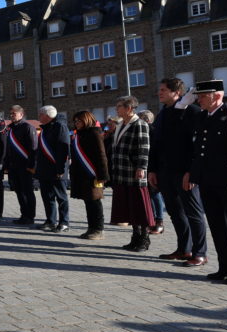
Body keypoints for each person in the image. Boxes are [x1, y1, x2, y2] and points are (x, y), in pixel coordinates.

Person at [186, 80, 227, 284]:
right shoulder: (202, 117)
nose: (198, 99)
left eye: (202, 96)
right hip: (208, 181)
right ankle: (225, 267)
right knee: (217, 227)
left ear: (216, 95)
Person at [149, 79, 207, 265]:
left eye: (164, 90)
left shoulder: (193, 112)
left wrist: (192, 172)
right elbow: (156, 145)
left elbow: (197, 146)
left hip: (185, 173)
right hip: (165, 172)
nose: (160, 93)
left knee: (193, 212)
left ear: (177, 93)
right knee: (175, 212)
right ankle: (184, 249)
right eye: (159, 90)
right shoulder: (162, 114)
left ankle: (200, 252)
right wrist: (152, 170)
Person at [110, 95, 155, 251]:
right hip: (122, 172)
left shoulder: (140, 124)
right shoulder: (121, 124)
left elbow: (144, 148)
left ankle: (144, 238)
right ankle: (135, 236)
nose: (117, 109)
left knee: (140, 207)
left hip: (134, 172)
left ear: (129, 108)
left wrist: (141, 167)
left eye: (119, 106)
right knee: (130, 207)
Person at [70, 111, 110, 240]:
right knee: (88, 202)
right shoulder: (79, 134)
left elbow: (101, 154)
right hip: (81, 174)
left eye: (79, 121)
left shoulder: (94, 133)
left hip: (92, 173)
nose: (77, 123)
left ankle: (98, 229)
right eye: (75, 121)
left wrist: (103, 175)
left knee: (95, 202)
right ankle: (91, 228)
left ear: (87, 120)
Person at [35, 105, 71, 232]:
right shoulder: (46, 128)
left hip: (57, 169)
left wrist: (60, 169)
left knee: (61, 197)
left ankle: (64, 222)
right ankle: (50, 221)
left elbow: (63, 148)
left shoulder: (60, 126)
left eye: (41, 114)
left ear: (48, 116)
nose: (39, 116)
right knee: (47, 196)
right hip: (45, 169)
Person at [4, 105, 37, 225]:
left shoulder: (28, 127)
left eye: (14, 113)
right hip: (13, 166)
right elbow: (8, 149)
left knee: (27, 191)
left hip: (25, 166)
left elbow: (33, 148)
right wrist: (7, 165)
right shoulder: (10, 128)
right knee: (18, 191)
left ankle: (30, 216)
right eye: (11, 113)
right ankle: (24, 214)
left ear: (21, 115)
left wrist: (32, 165)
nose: (12, 115)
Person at [139, 109, 166, 235]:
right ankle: (152, 219)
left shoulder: (153, 131)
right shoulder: (143, 130)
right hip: (145, 166)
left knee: (155, 194)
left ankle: (159, 221)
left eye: (141, 119)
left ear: (147, 120)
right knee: (149, 195)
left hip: (153, 167)